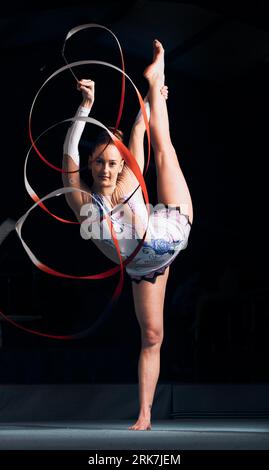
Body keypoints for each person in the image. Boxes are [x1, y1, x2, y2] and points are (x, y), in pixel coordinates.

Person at [62, 39, 193, 430]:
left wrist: (153, 100)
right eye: (100, 161)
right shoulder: (82, 201)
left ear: (121, 164)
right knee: (152, 335)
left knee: (164, 148)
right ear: (91, 163)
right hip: (144, 268)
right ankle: (145, 414)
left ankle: (158, 74)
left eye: (113, 162)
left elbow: (138, 130)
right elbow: (67, 160)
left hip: (171, 228)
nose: (106, 168)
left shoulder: (128, 182)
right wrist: (84, 111)